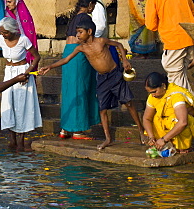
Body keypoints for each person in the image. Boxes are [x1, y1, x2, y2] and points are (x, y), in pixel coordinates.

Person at [40, 14, 139, 150]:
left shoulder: (101, 41)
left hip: (115, 75)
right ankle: (108, 139)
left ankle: (141, 131)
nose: (78, 35)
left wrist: (125, 61)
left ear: (89, 32)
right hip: (103, 79)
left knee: (128, 103)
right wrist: (50, 66)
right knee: (102, 110)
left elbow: (119, 44)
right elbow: (66, 60)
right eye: (77, 33)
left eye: (80, 32)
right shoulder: (81, 48)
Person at [0, 17, 42, 150]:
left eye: (5, 32)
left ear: (13, 31)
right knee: (8, 103)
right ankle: (12, 139)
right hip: (8, 73)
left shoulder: (23, 39)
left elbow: (37, 57)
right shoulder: (0, 40)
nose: (3, 34)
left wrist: (27, 72)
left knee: (21, 106)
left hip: (22, 73)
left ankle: (21, 140)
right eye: (2, 32)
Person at [145, 0, 194, 93]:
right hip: (189, 38)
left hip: (173, 41)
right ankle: (189, 107)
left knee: (175, 77)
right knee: (180, 75)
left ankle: (188, 107)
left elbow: (151, 25)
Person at [141, 71, 194, 153]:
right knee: (157, 118)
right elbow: (147, 118)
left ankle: (181, 147)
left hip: (190, 125)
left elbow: (183, 122)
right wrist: (151, 137)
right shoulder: (152, 97)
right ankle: (163, 144)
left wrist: (164, 140)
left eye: (154, 92)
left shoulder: (176, 95)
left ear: (163, 86)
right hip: (168, 125)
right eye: (150, 92)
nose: (152, 95)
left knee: (175, 120)